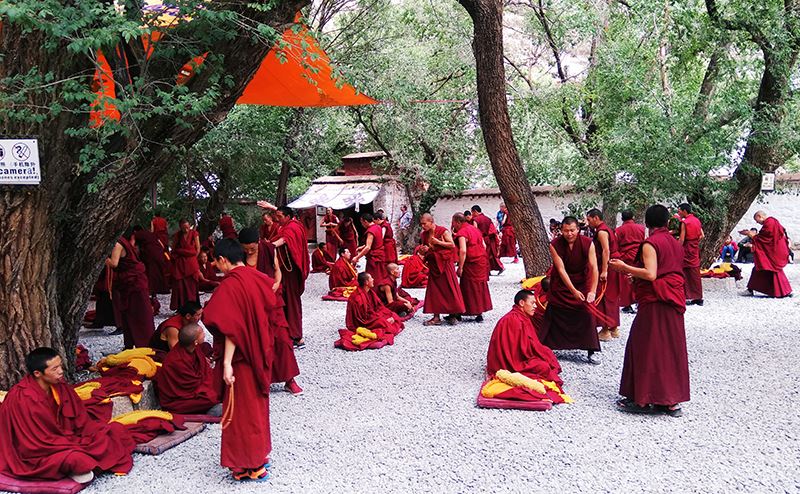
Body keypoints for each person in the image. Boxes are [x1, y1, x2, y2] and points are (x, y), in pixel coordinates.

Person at [203, 239, 278, 482]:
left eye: (216, 261)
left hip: (241, 358)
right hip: (260, 350)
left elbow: (231, 329)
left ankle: (250, 466)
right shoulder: (256, 277)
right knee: (255, 407)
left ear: (223, 260)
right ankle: (258, 455)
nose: (216, 266)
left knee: (241, 411)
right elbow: (269, 302)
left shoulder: (230, 286)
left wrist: (226, 363)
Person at [0, 348, 135, 483]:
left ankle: (83, 465)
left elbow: (80, 418)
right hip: (40, 450)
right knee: (76, 459)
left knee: (116, 430)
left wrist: (83, 436)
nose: (60, 371)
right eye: (54, 369)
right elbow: (33, 444)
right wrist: (70, 444)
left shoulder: (58, 384)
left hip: (65, 437)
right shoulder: (23, 399)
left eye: (60, 366)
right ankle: (77, 466)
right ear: (37, 373)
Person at [609, 204, 689, 417]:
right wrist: (637, 276)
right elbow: (666, 270)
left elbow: (652, 274)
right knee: (670, 348)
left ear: (647, 223)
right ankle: (670, 402)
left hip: (656, 301)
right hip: (672, 299)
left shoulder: (651, 243)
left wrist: (624, 268)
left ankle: (642, 400)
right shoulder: (675, 243)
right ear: (666, 222)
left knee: (644, 346)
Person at [238, 227, 303, 395]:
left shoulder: (268, 248)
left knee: (282, 339)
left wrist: (276, 284)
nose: (250, 251)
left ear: (259, 241)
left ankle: (289, 379)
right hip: (251, 303)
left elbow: (277, 270)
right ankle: (262, 380)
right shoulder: (239, 255)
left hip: (272, 300)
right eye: (246, 249)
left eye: (252, 248)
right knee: (259, 342)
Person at [538, 216, 600, 364]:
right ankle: (546, 349)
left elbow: (594, 267)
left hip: (581, 282)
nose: (569, 234)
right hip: (561, 284)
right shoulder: (555, 244)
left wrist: (592, 291)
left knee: (586, 313)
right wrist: (572, 291)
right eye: (566, 231)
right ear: (561, 231)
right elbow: (560, 269)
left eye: (572, 230)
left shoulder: (587, 243)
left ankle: (591, 351)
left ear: (578, 230)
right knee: (554, 312)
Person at [486, 290, 562, 385]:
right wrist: (536, 354)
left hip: (517, 357)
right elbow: (519, 351)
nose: (535, 306)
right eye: (532, 303)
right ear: (522, 303)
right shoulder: (513, 320)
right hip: (512, 363)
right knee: (543, 366)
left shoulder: (522, 316)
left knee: (547, 354)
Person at [268, 206, 310, 349]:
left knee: (292, 303)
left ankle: (297, 337)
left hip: (291, 271)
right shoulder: (286, 224)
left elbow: (286, 239)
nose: (276, 219)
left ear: (287, 217)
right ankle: (286, 334)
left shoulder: (293, 227)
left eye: (279, 217)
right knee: (283, 300)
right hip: (284, 270)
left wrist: (267, 247)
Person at [154, 323, 220, 415]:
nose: (204, 334)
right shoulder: (176, 361)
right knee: (211, 397)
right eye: (202, 333)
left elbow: (204, 370)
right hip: (178, 400)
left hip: (198, 387)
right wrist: (209, 386)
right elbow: (191, 386)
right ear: (195, 341)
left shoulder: (194, 349)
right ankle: (211, 408)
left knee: (221, 382)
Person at [107, 228, 155, 349]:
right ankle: (132, 342)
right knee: (131, 314)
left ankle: (145, 343)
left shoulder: (117, 244)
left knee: (138, 313)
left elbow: (114, 263)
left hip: (134, 283)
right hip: (132, 281)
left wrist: (100, 257)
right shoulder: (123, 241)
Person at [420, 213, 465, 325]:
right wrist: (423, 250)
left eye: (424, 224)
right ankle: (436, 317)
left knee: (449, 288)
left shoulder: (443, 231)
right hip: (434, 264)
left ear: (431, 221)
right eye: (421, 224)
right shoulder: (424, 235)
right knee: (434, 291)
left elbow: (452, 245)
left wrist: (438, 242)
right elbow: (426, 248)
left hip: (445, 264)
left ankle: (453, 314)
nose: (423, 226)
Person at [586, 209, 621, 341]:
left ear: (596, 218)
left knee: (603, 296)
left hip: (607, 266)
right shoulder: (606, 229)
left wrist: (604, 270)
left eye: (589, 219)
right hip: (613, 264)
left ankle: (605, 330)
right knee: (612, 296)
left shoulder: (601, 231)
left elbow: (606, 250)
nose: (588, 222)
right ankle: (614, 328)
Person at [743, 211, 793, 298]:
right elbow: (766, 237)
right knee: (759, 268)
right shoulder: (773, 222)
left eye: (756, 219)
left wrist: (751, 235)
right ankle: (785, 291)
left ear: (760, 216)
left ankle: (785, 291)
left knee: (770, 269)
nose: (757, 222)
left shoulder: (770, 222)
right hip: (774, 250)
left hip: (773, 252)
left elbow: (765, 238)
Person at [453, 213, 492, 322]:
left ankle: (462, 311)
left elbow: (463, 250)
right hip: (480, 261)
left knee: (467, 287)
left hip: (470, 263)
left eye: (454, 223)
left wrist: (460, 267)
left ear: (458, 222)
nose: (453, 226)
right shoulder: (475, 229)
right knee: (479, 286)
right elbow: (484, 245)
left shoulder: (462, 233)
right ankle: (479, 313)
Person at [615, 210, 646, 314]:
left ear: (622, 218)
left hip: (625, 257)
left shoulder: (619, 230)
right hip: (638, 256)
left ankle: (627, 305)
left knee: (626, 280)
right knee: (639, 278)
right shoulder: (641, 228)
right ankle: (639, 302)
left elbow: (617, 245)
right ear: (633, 217)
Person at [170, 219, 201, 311]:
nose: (186, 230)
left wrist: (193, 259)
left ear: (189, 226)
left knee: (191, 285)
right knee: (180, 285)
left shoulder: (194, 233)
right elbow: (174, 248)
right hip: (180, 263)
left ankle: (192, 306)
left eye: (187, 227)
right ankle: (181, 306)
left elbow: (198, 248)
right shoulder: (178, 235)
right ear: (180, 227)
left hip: (191, 262)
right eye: (184, 228)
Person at [678, 203, 704, 306]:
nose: (678, 212)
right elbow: (702, 235)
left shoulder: (685, 222)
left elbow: (682, 239)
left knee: (685, 272)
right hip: (694, 248)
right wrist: (694, 241)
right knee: (695, 273)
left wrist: (676, 248)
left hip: (687, 248)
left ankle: (687, 296)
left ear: (684, 211)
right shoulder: (696, 220)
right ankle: (698, 297)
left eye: (679, 210)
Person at [133, 225, 170, 296]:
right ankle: (161, 289)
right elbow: (162, 245)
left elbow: (132, 245)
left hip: (150, 254)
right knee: (159, 271)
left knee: (150, 272)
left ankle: (151, 290)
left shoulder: (137, 234)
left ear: (135, 231)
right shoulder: (151, 234)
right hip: (159, 253)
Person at [352, 213, 387, 286]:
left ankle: (374, 291)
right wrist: (362, 247)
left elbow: (368, 247)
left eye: (362, 223)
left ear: (365, 221)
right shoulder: (378, 227)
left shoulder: (370, 231)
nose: (362, 225)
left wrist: (357, 257)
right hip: (380, 253)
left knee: (374, 276)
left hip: (374, 256)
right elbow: (376, 241)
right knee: (381, 274)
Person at [471, 205, 504, 274]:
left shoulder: (476, 220)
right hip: (488, 239)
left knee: (483, 256)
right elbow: (492, 230)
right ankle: (494, 269)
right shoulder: (488, 219)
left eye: (472, 212)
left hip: (481, 239)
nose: (472, 214)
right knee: (489, 255)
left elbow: (475, 231)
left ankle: (486, 270)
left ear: (475, 211)